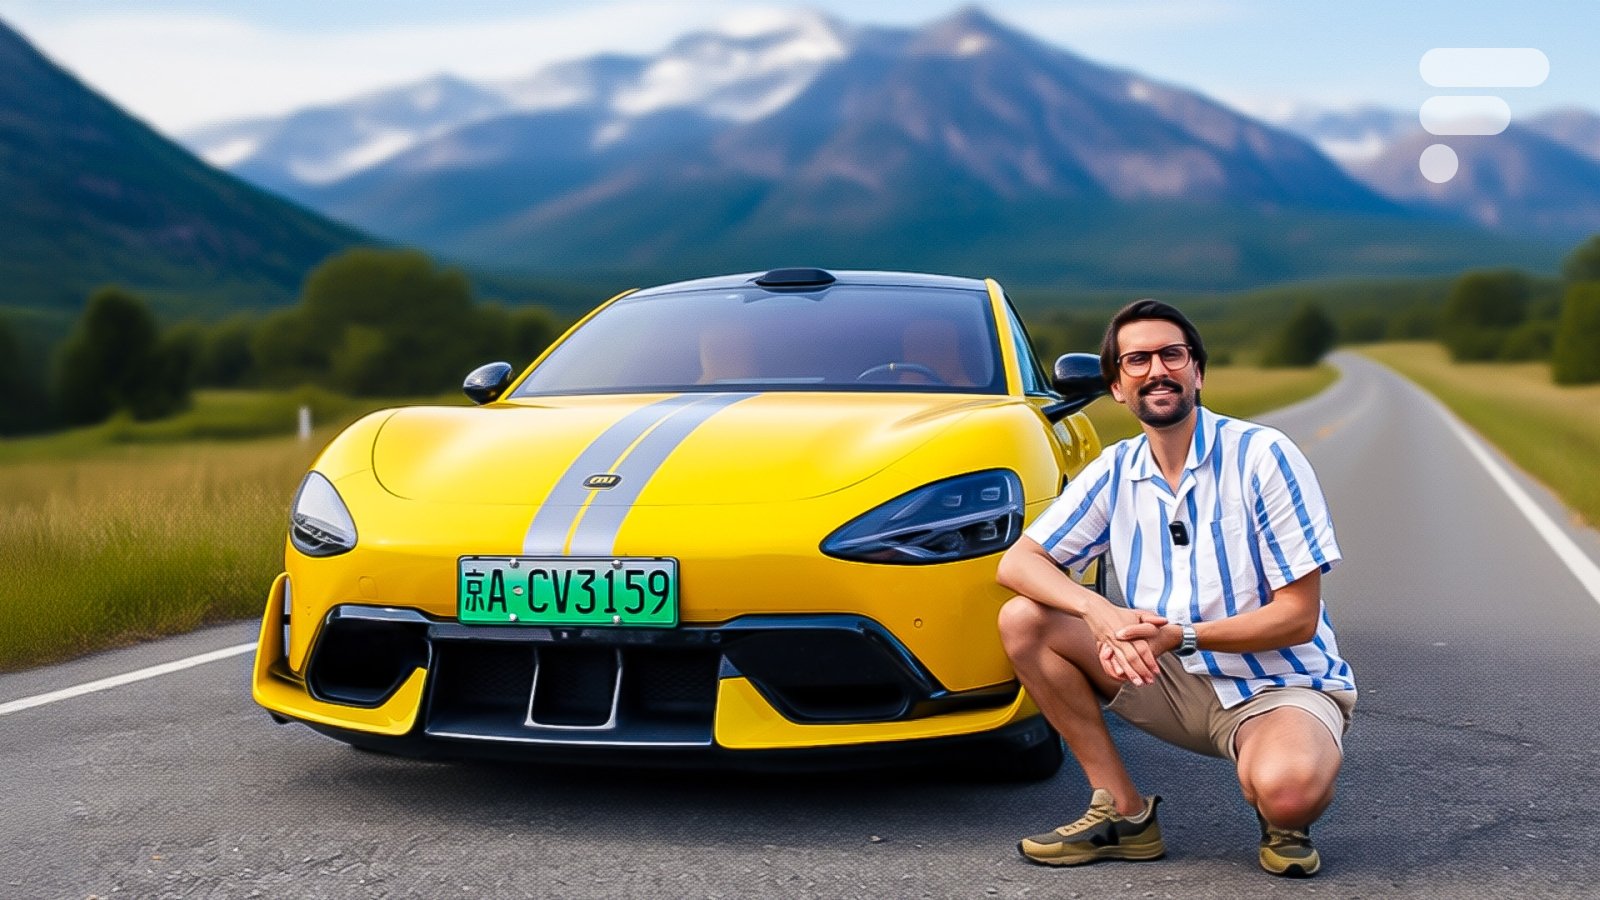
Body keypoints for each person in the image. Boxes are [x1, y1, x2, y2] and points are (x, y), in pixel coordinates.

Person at [995, 298, 1355, 878]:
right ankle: (1123, 814)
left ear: (1198, 373)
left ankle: (1281, 812)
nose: (1157, 370)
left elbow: (1298, 618)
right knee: (1024, 618)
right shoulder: (1116, 469)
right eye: (1137, 360)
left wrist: (1182, 635)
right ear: (1117, 386)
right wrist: (1097, 610)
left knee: (1288, 793)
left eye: (1172, 355)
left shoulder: (1264, 456)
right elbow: (1020, 562)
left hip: (1276, 683)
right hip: (1163, 676)